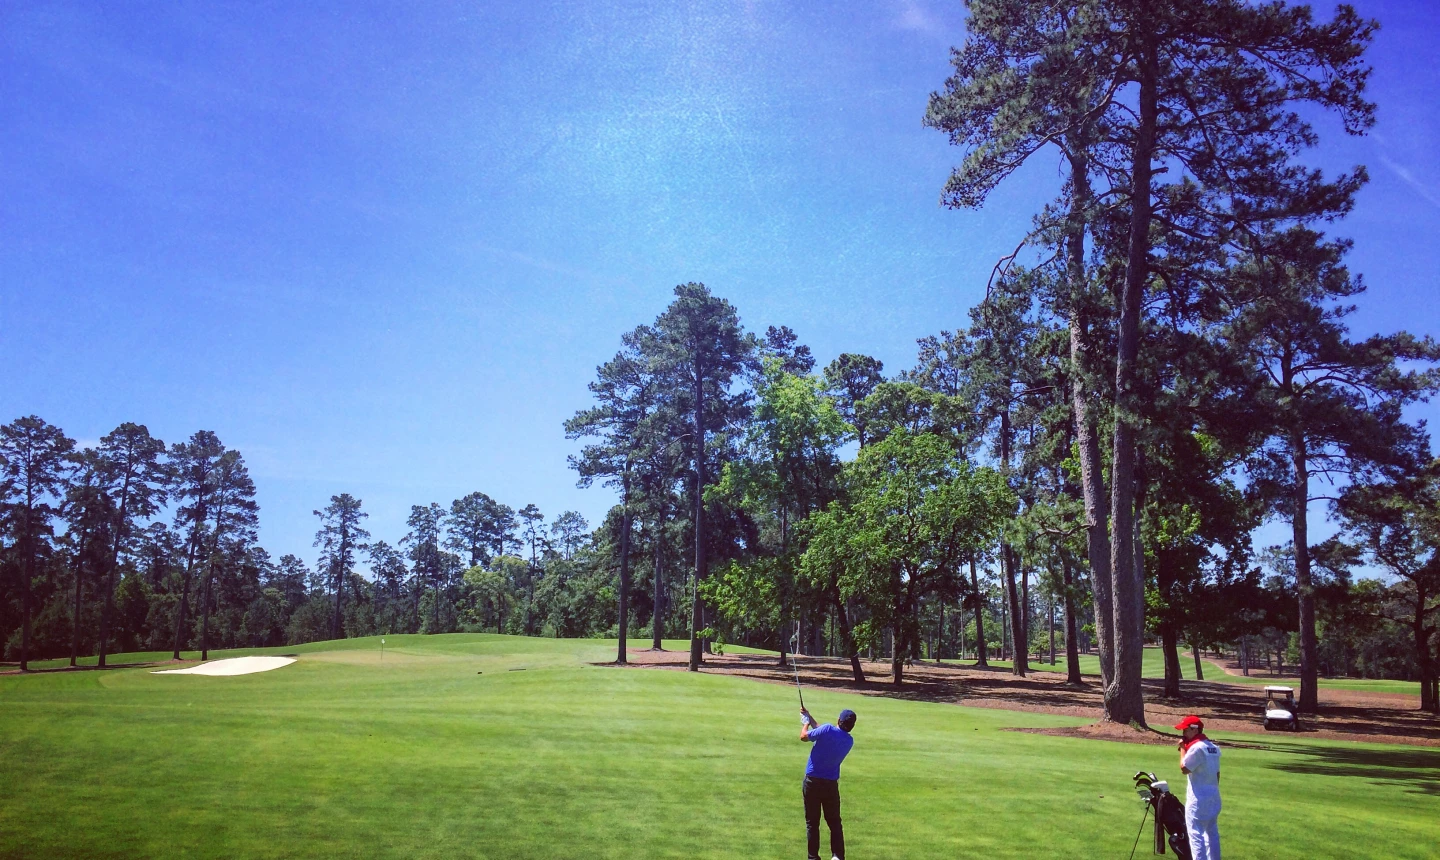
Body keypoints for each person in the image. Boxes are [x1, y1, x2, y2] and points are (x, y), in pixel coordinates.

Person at [799, 706, 856, 860]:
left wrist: (805, 722)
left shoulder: (827, 730)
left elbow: (804, 736)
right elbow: (822, 731)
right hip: (830, 785)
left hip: (812, 782)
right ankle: (837, 856)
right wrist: (809, 716)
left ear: (839, 720)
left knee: (812, 822)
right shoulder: (849, 741)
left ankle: (813, 857)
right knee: (834, 822)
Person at [1175, 715, 1221, 860]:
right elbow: (1217, 774)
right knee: (1212, 834)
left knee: (1196, 834)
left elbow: (1184, 768)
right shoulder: (1213, 747)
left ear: (1194, 730)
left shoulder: (1196, 748)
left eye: (1185, 730)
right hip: (1213, 797)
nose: (1183, 733)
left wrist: (1182, 749)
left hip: (1198, 800)